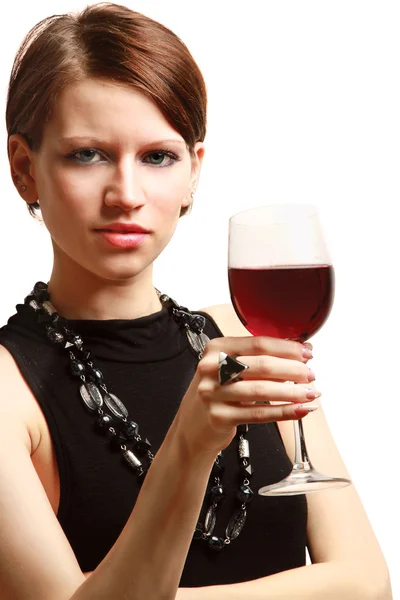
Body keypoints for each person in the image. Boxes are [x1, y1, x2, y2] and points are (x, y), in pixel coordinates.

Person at [0, 3, 391, 599]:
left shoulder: (241, 331)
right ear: (25, 170)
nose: (126, 194)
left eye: (157, 157)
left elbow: (366, 583)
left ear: (193, 172)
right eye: (88, 154)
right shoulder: (8, 391)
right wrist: (188, 446)